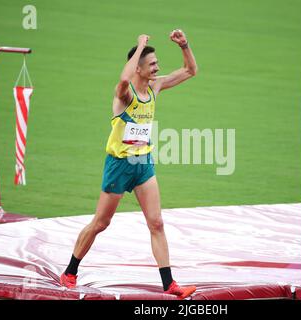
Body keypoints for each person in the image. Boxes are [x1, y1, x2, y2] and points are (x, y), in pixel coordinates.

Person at [60, 30, 198, 299]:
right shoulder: (125, 95)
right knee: (101, 222)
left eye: (157, 63)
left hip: (142, 162)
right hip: (119, 165)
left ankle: (169, 284)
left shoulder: (155, 86)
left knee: (156, 223)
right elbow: (123, 78)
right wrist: (139, 46)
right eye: (152, 64)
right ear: (139, 67)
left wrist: (185, 45)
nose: (157, 67)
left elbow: (190, 70)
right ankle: (70, 271)